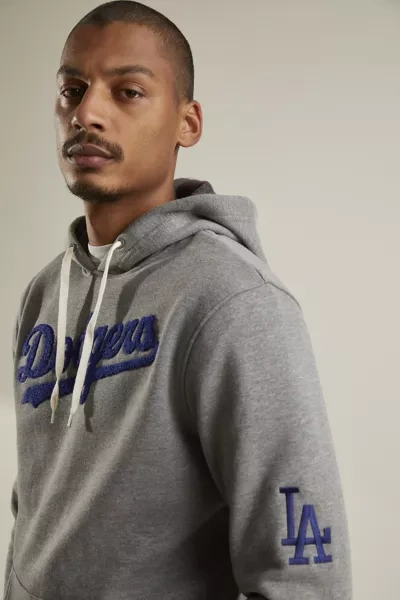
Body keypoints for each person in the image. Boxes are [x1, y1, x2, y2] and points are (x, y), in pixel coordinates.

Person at [3, 1, 352, 599]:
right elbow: (36, 509)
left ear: (187, 123)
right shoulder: (43, 294)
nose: (87, 112)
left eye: (128, 91)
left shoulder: (233, 299)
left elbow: (304, 576)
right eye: (72, 90)